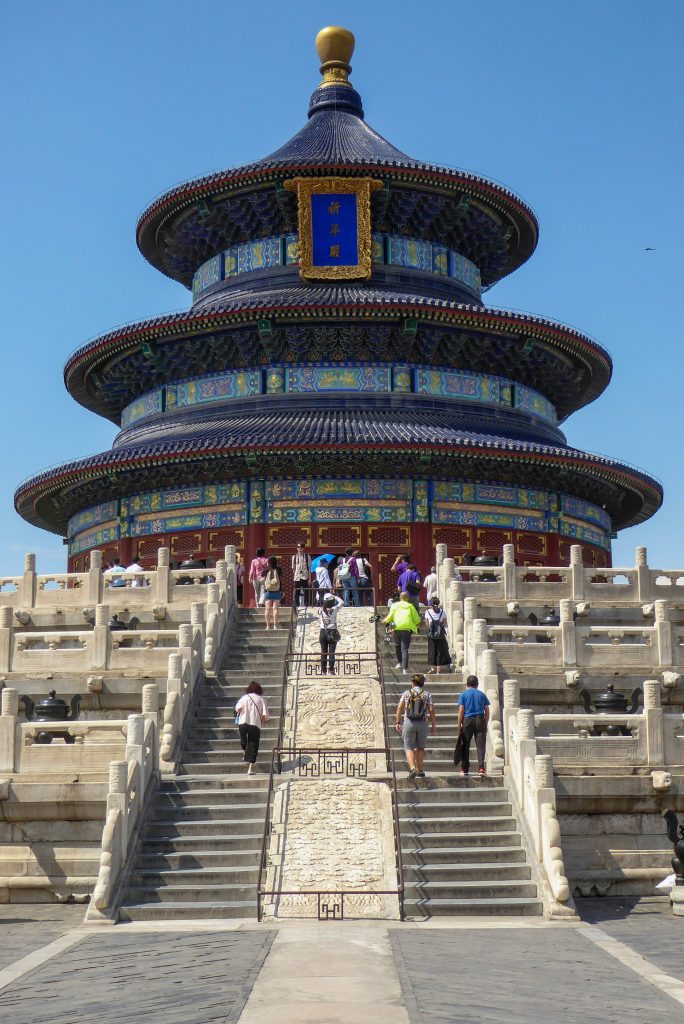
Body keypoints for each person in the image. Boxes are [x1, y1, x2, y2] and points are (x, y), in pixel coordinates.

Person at [395, 673, 436, 778]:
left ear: (413, 683)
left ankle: (413, 768)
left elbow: (399, 708)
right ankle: (420, 770)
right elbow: (431, 710)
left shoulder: (406, 693)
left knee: (408, 747)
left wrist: (398, 721)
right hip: (422, 723)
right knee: (420, 747)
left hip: (409, 722)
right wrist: (433, 725)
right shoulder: (427, 694)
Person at [457, 674, 491, 777]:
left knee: (465, 745)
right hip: (480, 719)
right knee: (480, 745)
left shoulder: (463, 695)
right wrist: (485, 721)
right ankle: (481, 768)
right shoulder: (482, 694)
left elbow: (461, 710)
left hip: (467, 720)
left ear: (467, 684)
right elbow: (487, 710)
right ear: (477, 684)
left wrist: (459, 726)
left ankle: (464, 769)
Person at [234, 680, 269, 776]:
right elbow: (265, 716)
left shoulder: (244, 698)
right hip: (255, 724)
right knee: (254, 745)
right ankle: (250, 768)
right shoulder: (261, 699)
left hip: (243, 722)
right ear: (259, 690)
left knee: (244, 741)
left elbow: (237, 709)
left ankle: (245, 753)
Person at [383, 591, 421, 674]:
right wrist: (417, 626)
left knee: (397, 645)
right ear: (407, 598)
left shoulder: (394, 605)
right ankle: (405, 669)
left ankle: (399, 663)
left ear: (400, 598)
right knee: (404, 649)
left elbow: (390, 617)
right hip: (407, 629)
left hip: (397, 628)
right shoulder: (410, 606)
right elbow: (417, 620)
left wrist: (384, 621)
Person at [318, 593, 344, 675]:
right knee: (332, 652)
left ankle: (323, 671)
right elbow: (342, 602)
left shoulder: (320, 610)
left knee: (323, 652)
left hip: (322, 632)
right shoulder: (334, 609)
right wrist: (335, 596)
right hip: (332, 631)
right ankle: (331, 670)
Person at [424, 596, 450, 674]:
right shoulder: (443, 612)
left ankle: (432, 668)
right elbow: (445, 623)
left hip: (431, 635)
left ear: (431, 604)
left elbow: (427, 624)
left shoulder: (428, 612)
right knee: (440, 651)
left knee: (431, 651)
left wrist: (432, 627)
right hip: (440, 634)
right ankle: (438, 670)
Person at [262, 555, 282, 629]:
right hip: (277, 591)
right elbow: (280, 580)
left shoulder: (266, 570)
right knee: (275, 609)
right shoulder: (279, 569)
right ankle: (275, 625)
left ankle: (267, 625)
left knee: (267, 608)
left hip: (268, 591)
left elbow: (263, 578)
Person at [291, 542, 312, 609]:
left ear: (303, 548)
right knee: (296, 592)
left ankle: (306, 605)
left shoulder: (307, 556)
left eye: (301, 547)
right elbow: (293, 568)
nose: (299, 549)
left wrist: (309, 579)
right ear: (297, 548)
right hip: (297, 577)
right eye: (298, 547)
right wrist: (295, 575)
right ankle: (296, 605)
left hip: (304, 576)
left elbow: (309, 568)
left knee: (306, 592)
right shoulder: (294, 557)